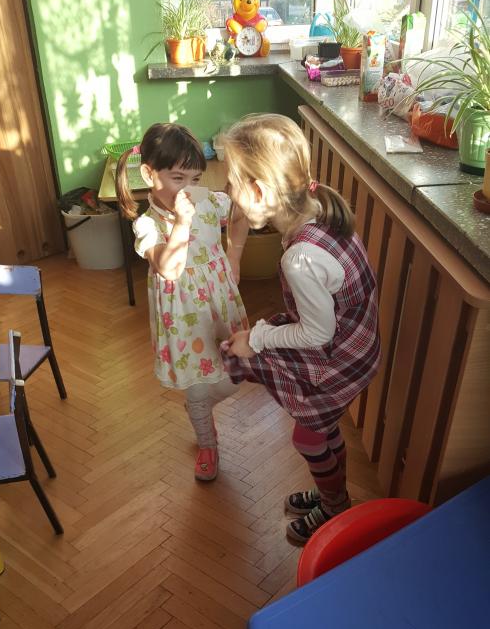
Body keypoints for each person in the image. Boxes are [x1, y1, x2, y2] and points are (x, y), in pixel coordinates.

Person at [221, 114, 381, 543]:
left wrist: (257, 339)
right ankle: (334, 493)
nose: (228, 191)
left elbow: (316, 335)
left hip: (340, 355)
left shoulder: (300, 258)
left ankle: (335, 506)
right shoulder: (318, 207)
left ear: (259, 192)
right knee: (322, 430)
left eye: (232, 182)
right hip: (355, 342)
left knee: (308, 438)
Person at [116, 123, 249, 481]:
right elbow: (169, 268)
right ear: (149, 174)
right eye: (178, 178)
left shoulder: (206, 202)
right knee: (196, 382)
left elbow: (239, 213)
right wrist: (182, 223)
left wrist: (235, 255)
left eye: (195, 179)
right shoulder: (147, 225)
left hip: (219, 303)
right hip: (183, 316)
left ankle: (201, 405)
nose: (189, 188)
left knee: (238, 367)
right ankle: (207, 441)